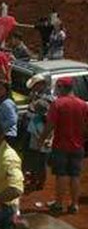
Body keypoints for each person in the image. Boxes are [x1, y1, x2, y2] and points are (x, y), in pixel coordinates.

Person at [39, 77, 88, 214]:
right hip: (78, 146)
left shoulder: (58, 104)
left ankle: (59, 204)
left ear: (61, 87)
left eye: (57, 87)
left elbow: (50, 125)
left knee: (61, 175)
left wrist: (42, 139)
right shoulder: (83, 104)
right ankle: (74, 205)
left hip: (61, 145)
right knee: (75, 175)